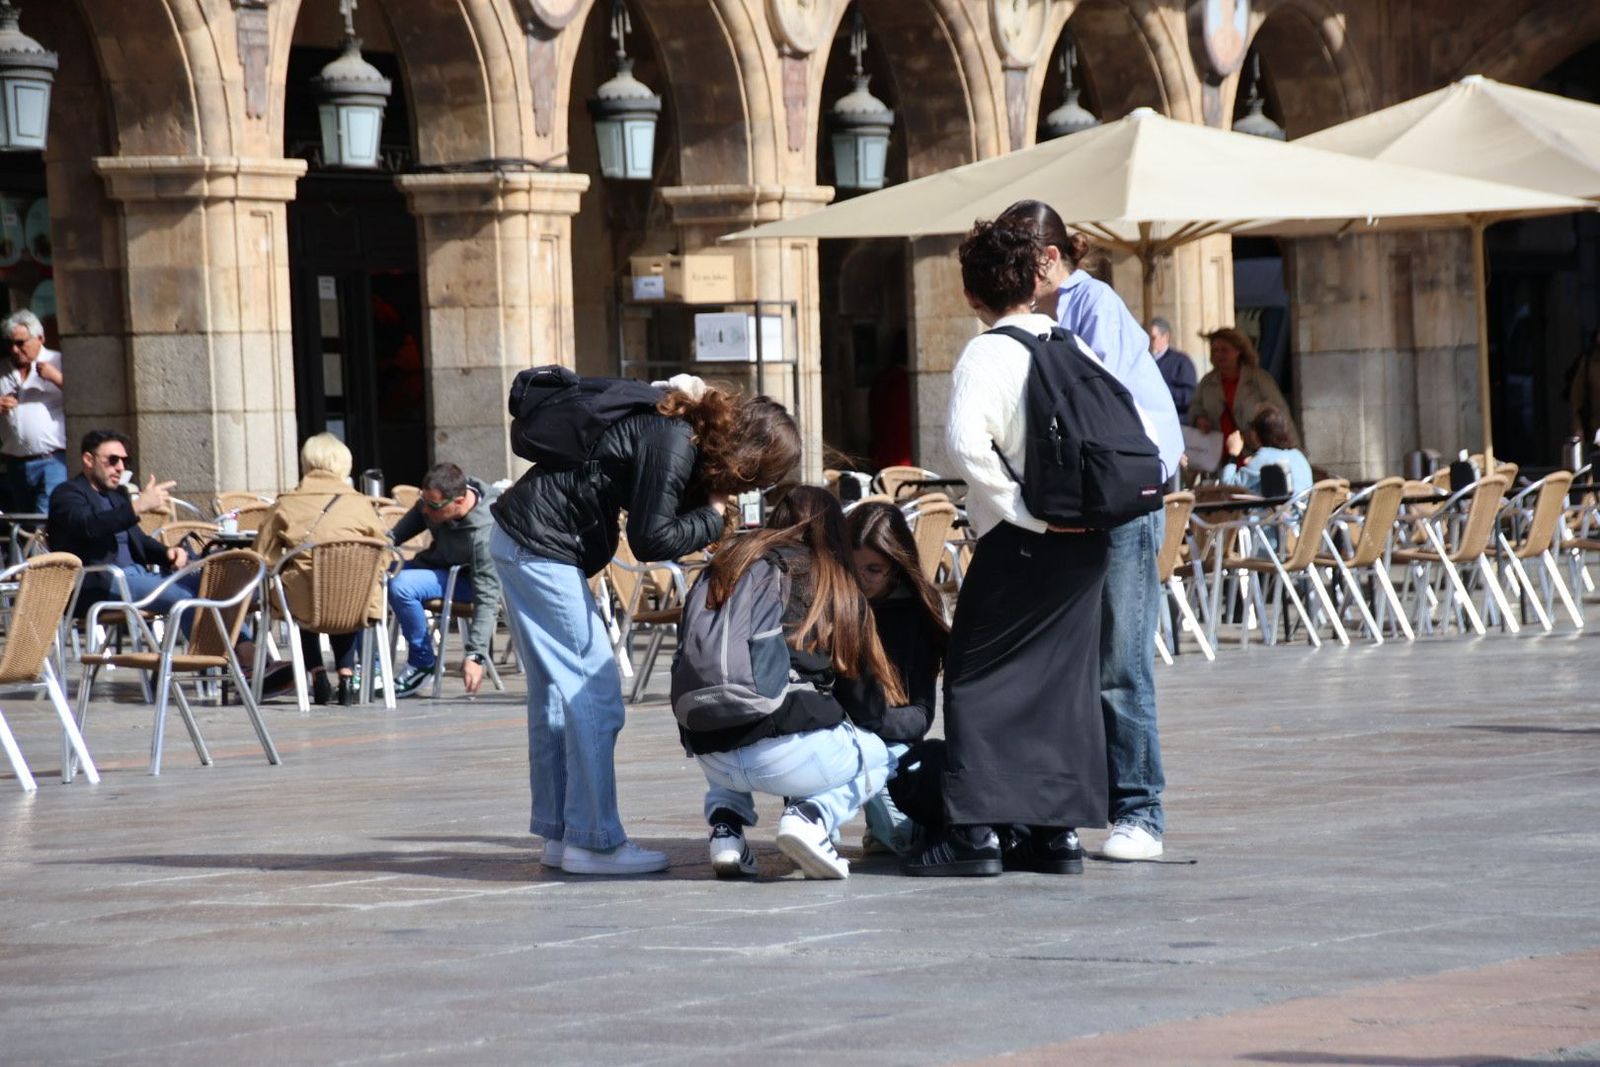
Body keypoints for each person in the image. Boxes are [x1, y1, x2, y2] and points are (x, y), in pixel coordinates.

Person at [491, 380, 800, 876]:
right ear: (749, 457)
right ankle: (595, 844)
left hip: (526, 540)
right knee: (596, 694)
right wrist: (714, 513)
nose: (756, 489)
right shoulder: (675, 440)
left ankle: (562, 835)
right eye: (761, 477)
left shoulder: (678, 434)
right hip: (538, 546)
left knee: (556, 697)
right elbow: (652, 538)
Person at [901, 215, 1110, 878]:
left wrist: (1020, 512)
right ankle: (1056, 836)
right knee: (1062, 687)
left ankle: (977, 836)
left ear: (971, 295)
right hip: (1086, 546)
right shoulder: (1074, 345)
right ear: (1035, 281)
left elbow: (965, 443)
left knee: (972, 677)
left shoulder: (987, 353)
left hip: (1023, 541)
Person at [998, 199, 1184, 863]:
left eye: (1017, 265)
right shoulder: (1035, 316)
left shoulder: (1089, 304)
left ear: (1049, 260)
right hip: (1077, 502)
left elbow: (1088, 409)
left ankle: (1141, 811)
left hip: (1122, 500)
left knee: (1118, 658)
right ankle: (1060, 806)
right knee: (1068, 662)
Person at [685, 487, 903, 880]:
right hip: (784, 757)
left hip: (708, 751)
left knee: (734, 712)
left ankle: (726, 832)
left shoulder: (730, 564)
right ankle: (810, 817)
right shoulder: (830, 582)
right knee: (878, 752)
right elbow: (868, 710)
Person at [253, 433, 389, 706]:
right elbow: (384, 555)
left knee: (302, 587)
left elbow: (261, 557)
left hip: (305, 603)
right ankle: (347, 675)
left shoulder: (287, 503)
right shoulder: (362, 504)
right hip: (356, 604)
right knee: (348, 586)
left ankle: (317, 674)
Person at [847, 499, 946, 855]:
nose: (861, 580)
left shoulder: (915, 614)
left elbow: (921, 715)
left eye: (873, 569)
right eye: (852, 567)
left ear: (896, 566)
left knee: (900, 841)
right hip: (835, 736)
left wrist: (874, 721)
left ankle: (890, 825)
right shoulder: (836, 604)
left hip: (890, 743)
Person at [47, 429, 199, 614]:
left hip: (138, 575)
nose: (120, 467)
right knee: (185, 598)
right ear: (88, 460)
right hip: (100, 582)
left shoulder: (117, 495)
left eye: (124, 461)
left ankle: (240, 644)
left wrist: (167, 553)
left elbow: (139, 541)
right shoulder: (67, 494)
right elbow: (88, 525)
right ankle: (212, 643)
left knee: (214, 587)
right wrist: (137, 506)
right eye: (113, 460)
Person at [387, 462, 502, 698]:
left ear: (459, 502)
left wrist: (475, 654)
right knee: (370, 578)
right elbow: (404, 528)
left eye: (433, 506)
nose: (426, 511)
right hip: (438, 568)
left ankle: (422, 663)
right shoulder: (435, 502)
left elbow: (488, 595)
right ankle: (371, 664)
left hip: (468, 584)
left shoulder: (483, 534)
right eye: (423, 502)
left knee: (401, 585)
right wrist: (385, 541)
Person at [1190, 327, 1298, 455]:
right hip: (1218, 454)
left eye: (1224, 350)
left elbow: (1280, 413)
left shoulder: (1258, 379)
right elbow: (1195, 406)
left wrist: (1294, 450)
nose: (1218, 354)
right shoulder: (1207, 382)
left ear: (1238, 351)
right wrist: (1199, 418)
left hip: (1254, 453)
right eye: (1215, 350)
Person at [1, 310, 68, 514]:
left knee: (43, 520)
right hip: (15, 462)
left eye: (21, 343)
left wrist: (55, 377)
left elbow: (86, 399)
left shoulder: (58, 361)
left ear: (40, 338)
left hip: (52, 460)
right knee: (23, 522)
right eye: (10, 343)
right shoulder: (2, 369)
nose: (14, 349)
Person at [1220, 405, 1313, 496]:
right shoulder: (1297, 454)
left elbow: (1228, 488)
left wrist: (1233, 453)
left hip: (1281, 511)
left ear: (1257, 434)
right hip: (1304, 510)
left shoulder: (1264, 458)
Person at [1148, 316, 1198, 421]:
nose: (1148, 342)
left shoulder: (1181, 362)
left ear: (1165, 337)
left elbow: (1190, 396)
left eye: (1152, 338)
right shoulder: (1144, 362)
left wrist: (1161, 391)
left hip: (1175, 422)